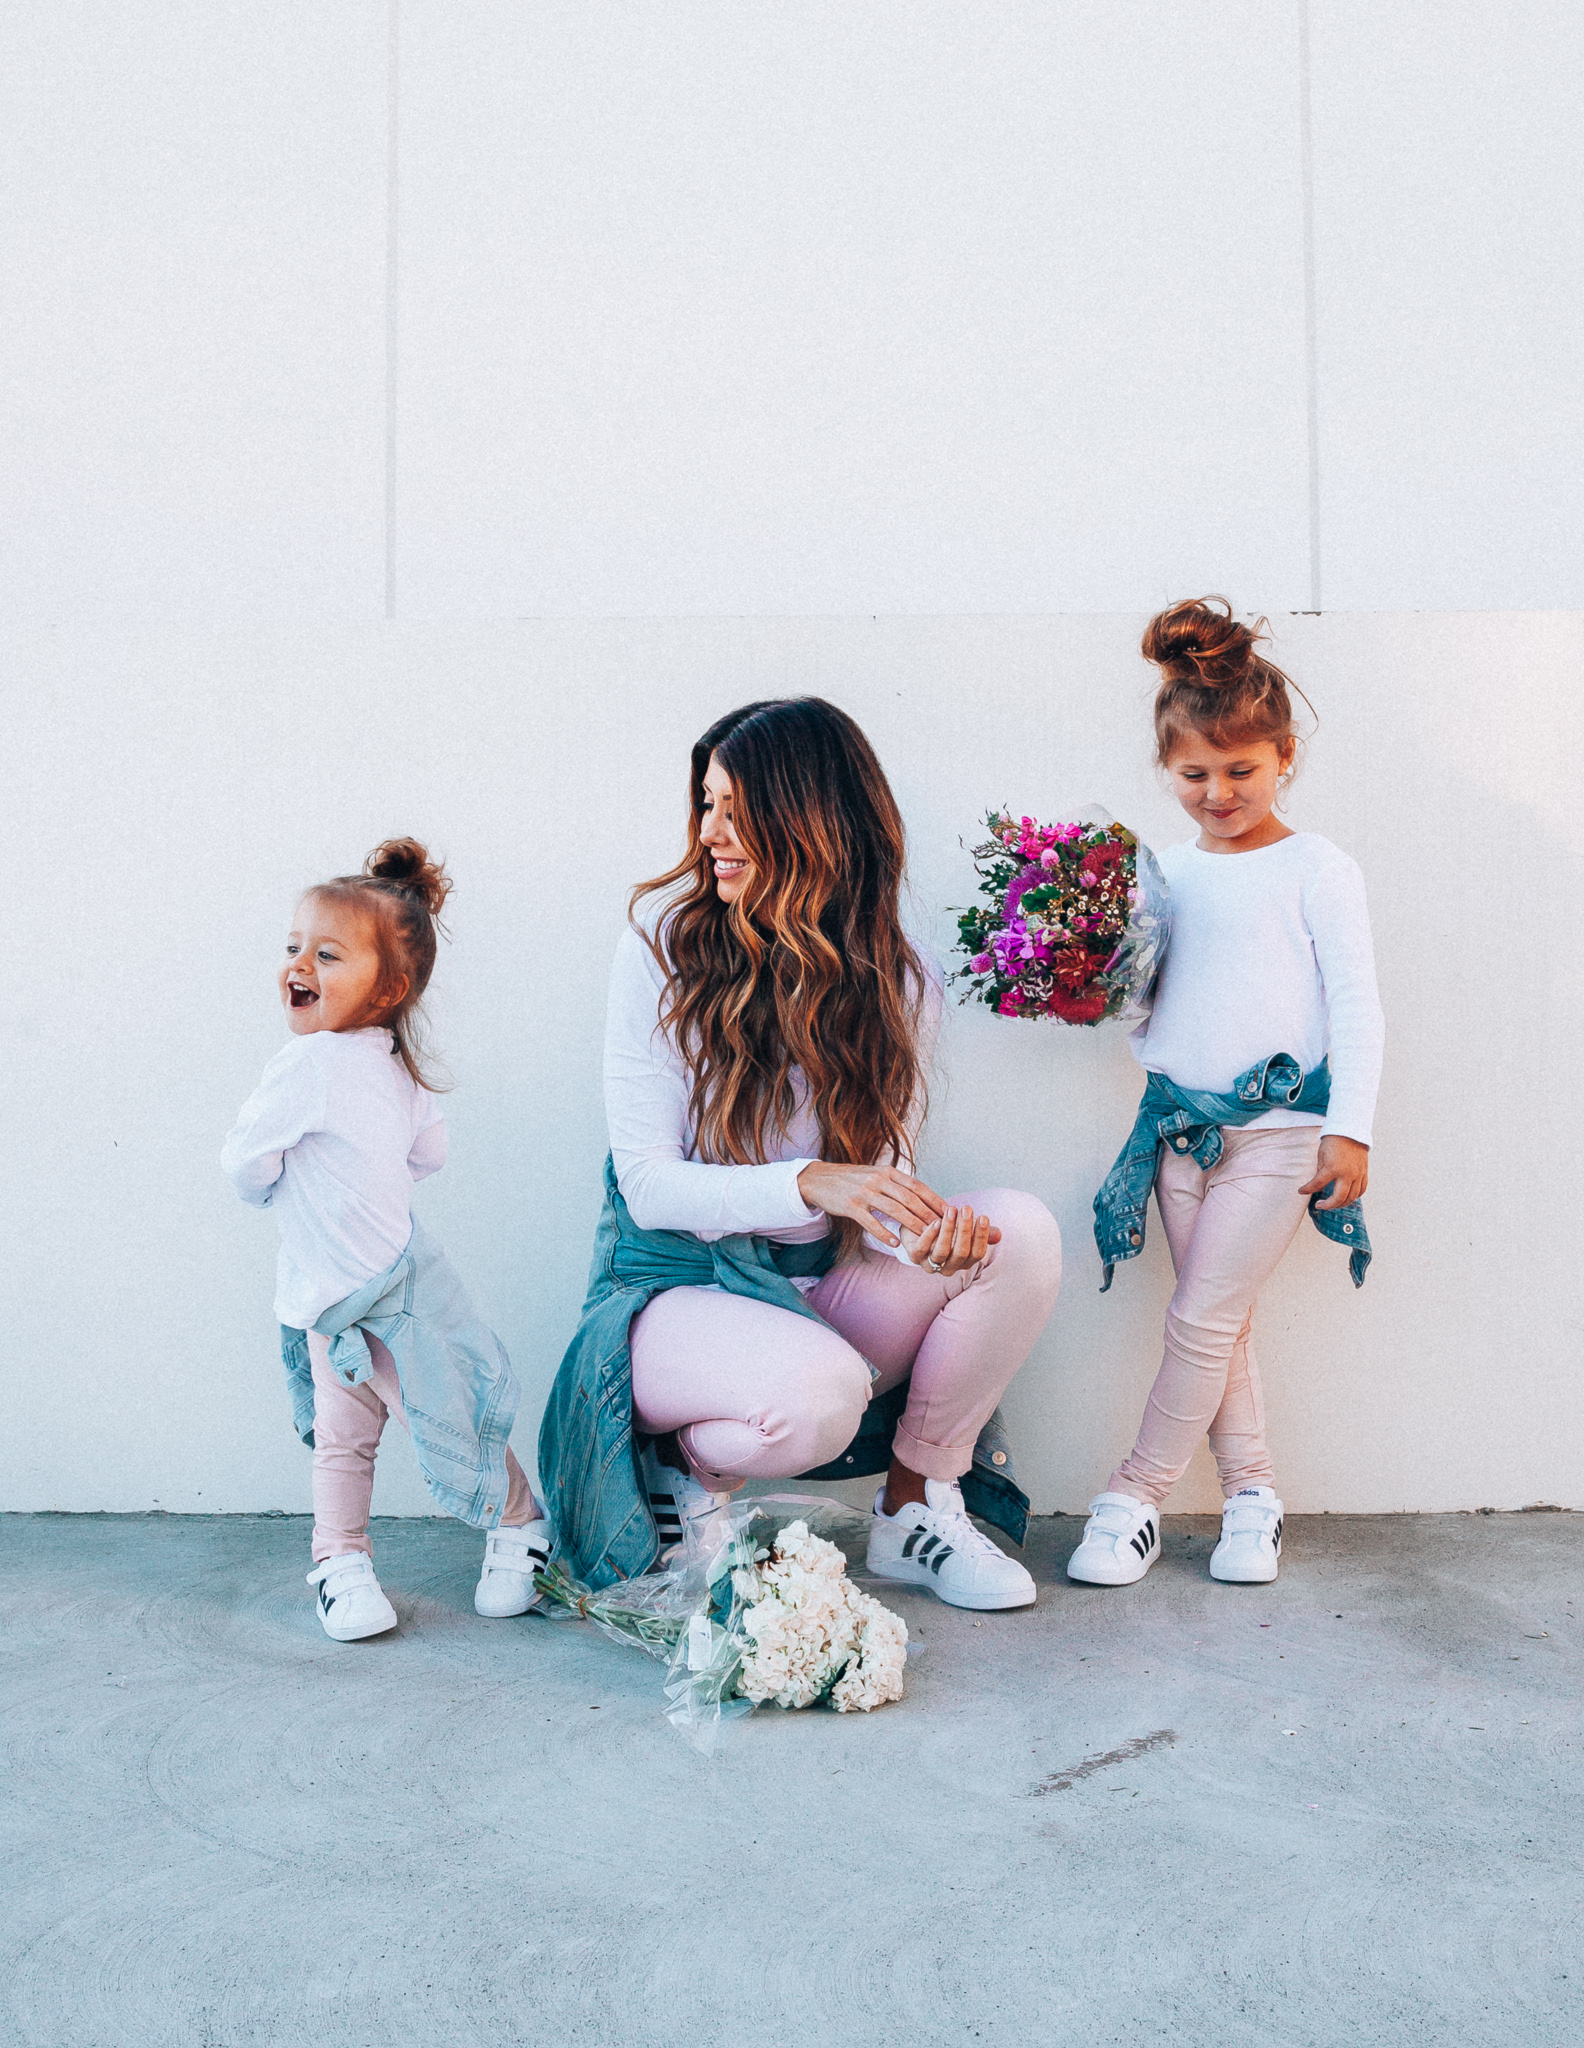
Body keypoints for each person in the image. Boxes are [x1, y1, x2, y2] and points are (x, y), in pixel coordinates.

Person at [539, 698, 1063, 1610]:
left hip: (819, 1285)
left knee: (1018, 1235)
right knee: (822, 1395)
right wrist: (817, 1183)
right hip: (674, 1290)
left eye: (738, 811)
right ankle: (682, 1477)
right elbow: (649, 1187)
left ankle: (914, 1509)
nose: (712, 835)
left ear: (817, 822)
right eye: (707, 805)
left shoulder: (900, 975)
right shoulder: (660, 949)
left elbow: (882, 1186)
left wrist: (923, 1237)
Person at [1071, 600, 1384, 1588]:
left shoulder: (1317, 868)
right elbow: (1149, 1002)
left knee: (1202, 1316)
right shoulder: (1160, 874)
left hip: (1284, 1132)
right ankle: (1252, 1497)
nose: (1217, 792)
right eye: (1194, 773)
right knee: (1221, 1318)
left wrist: (1352, 1130)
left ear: (1283, 755)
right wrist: (1101, 989)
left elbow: (1358, 1006)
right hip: (1178, 1131)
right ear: (1168, 768)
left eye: (1239, 770)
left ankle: (1132, 1496)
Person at [222, 839, 551, 1641]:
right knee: (350, 1437)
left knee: (436, 1411)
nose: (300, 964)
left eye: (328, 954)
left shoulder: (370, 1068)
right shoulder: (313, 1065)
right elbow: (422, 1157)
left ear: (388, 988)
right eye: (294, 947)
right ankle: (340, 1559)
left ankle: (520, 1522)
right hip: (333, 1304)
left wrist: (286, 1182)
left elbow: (246, 1167)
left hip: (390, 1297)